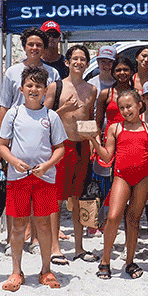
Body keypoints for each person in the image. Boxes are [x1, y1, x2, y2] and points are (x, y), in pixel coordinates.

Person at [0, 65, 66, 291]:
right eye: (29, 85)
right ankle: (16, 271)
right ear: (21, 88)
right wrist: (13, 162)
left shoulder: (51, 116)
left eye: (38, 86)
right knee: (18, 225)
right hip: (18, 178)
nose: (33, 89)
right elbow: (2, 146)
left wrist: (46, 165)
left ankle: (46, 270)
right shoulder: (13, 114)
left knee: (44, 224)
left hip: (44, 178)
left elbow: (60, 148)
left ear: (45, 89)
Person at [88, 89, 148, 280]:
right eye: (121, 107)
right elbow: (107, 156)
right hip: (122, 176)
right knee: (113, 217)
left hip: (143, 178)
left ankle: (129, 261)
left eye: (129, 106)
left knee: (134, 220)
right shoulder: (115, 128)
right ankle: (105, 260)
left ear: (139, 106)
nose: (126, 110)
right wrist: (94, 141)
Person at [47, 44, 99, 263]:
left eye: (83, 59)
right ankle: (55, 247)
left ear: (87, 63)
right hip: (62, 146)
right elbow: (45, 118)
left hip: (82, 147)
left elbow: (90, 119)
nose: (79, 62)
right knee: (57, 198)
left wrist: (94, 141)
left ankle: (79, 247)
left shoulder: (91, 90)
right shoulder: (55, 87)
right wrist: (64, 110)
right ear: (67, 62)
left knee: (80, 198)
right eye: (75, 58)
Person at [0, 28, 61, 130]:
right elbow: (4, 106)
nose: (34, 48)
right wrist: (0, 136)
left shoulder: (53, 73)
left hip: (43, 128)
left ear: (44, 48)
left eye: (39, 45)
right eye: (31, 44)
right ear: (24, 47)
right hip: (16, 128)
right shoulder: (11, 72)